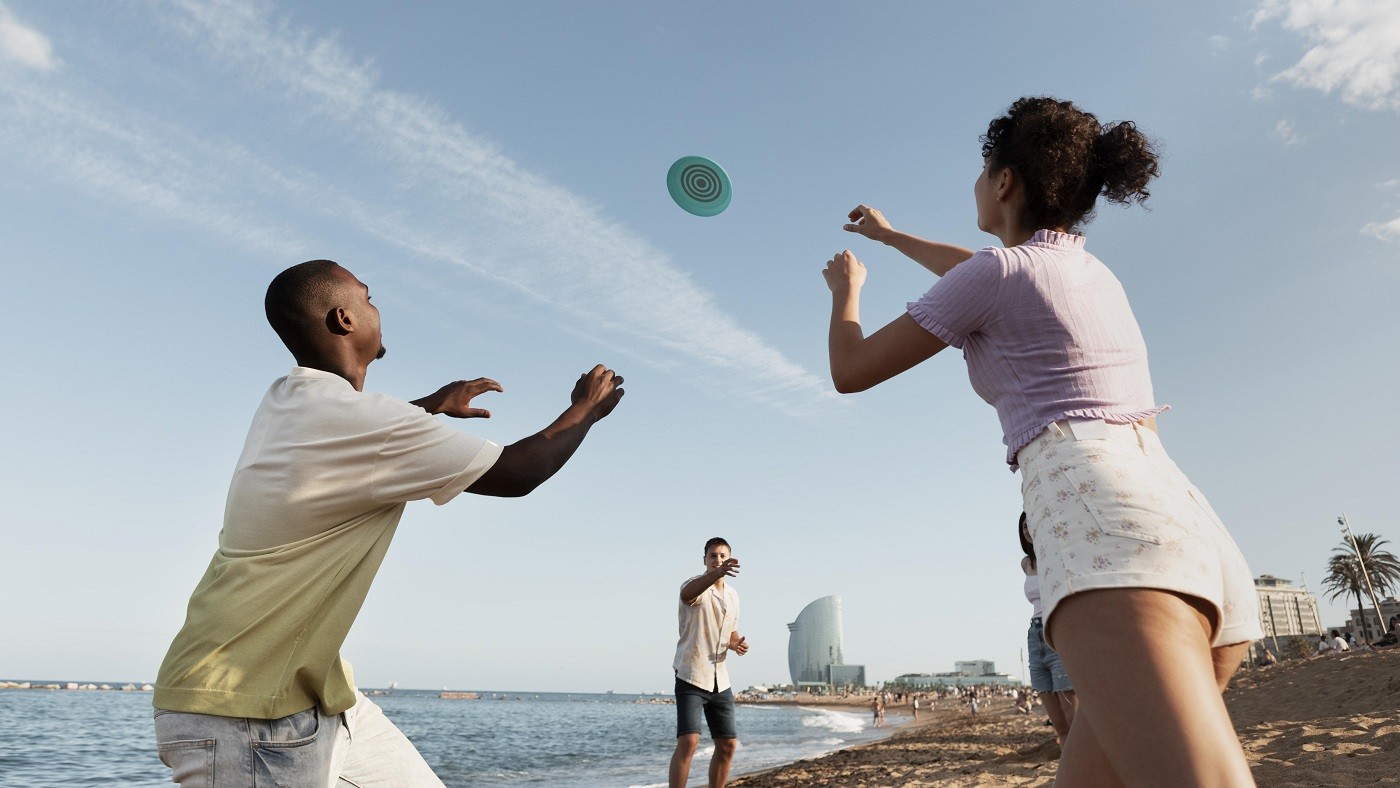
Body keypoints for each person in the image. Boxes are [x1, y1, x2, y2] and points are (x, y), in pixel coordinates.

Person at [823, 96, 1263, 786]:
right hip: (1184, 521)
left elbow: (851, 372)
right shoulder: (1086, 273)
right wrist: (892, 235)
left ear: (1005, 182)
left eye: (981, 171)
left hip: (1100, 518)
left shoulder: (998, 277)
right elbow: (972, 267)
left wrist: (847, 290)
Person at [152, 259, 625, 787]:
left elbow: (360, 433)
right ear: (344, 318)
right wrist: (585, 409)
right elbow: (519, 473)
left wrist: (430, 407)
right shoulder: (357, 422)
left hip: (319, 701)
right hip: (244, 708)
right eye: (368, 297)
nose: (378, 307)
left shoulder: (288, 398)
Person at [669, 537, 749, 788]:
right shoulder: (694, 586)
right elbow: (686, 595)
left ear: (730, 558)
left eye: (723, 556)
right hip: (691, 673)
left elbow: (730, 631)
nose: (718, 560)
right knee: (689, 741)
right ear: (704, 560)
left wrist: (736, 643)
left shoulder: (734, 596)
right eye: (713, 556)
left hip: (720, 679)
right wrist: (716, 574)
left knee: (727, 745)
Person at [1020, 512, 1077, 743]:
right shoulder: (1026, 563)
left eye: (1030, 524)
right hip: (1035, 636)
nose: (1027, 530)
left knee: (1071, 716)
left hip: (1056, 629)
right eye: (1023, 527)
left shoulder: (1057, 554)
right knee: (1058, 724)